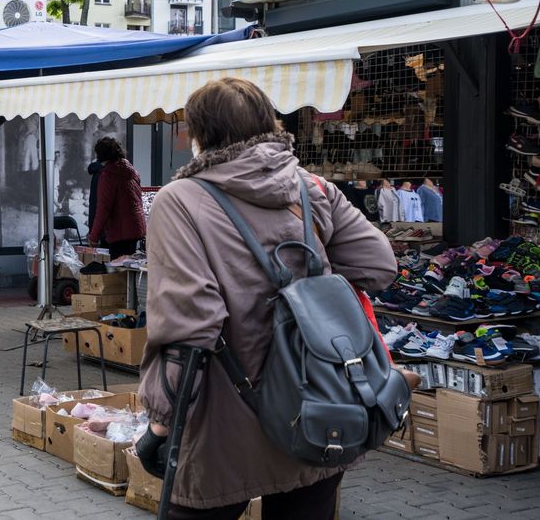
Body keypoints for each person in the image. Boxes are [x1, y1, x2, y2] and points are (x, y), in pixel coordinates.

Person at [135, 78, 396, 518]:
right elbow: (378, 263)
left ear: (200, 134)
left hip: (225, 419)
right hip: (316, 406)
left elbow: (191, 325)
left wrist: (160, 422)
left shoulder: (179, 200)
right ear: (269, 122)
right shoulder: (308, 186)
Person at [87, 137, 146, 258]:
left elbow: (103, 209)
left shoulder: (108, 176)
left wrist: (93, 237)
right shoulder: (131, 170)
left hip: (120, 231)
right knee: (129, 268)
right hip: (135, 228)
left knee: (118, 271)